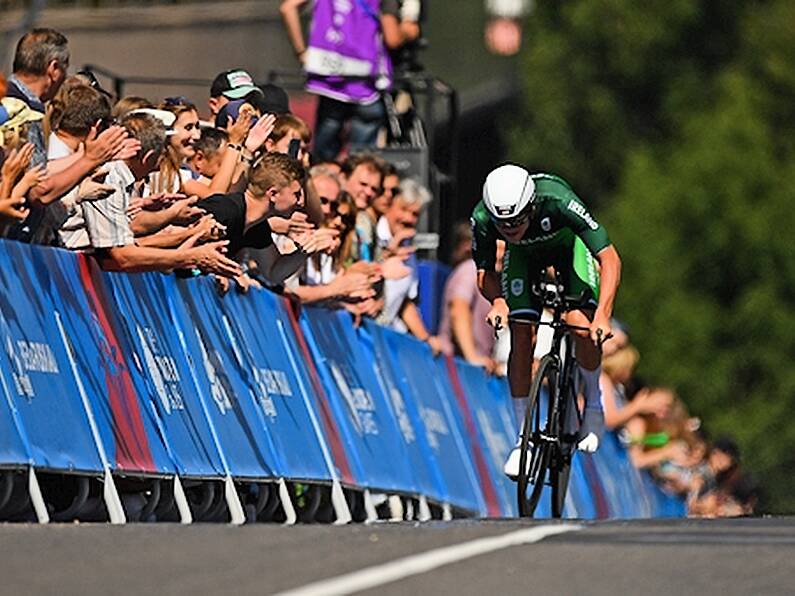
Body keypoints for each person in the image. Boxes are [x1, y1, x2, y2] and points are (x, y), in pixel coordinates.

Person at [471, 164, 622, 478]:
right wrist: (498, 301)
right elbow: (484, 272)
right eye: (504, 225)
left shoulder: (558, 200)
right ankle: (522, 438)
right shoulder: (484, 218)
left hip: (569, 249)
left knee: (580, 323)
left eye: (516, 221)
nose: (510, 229)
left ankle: (593, 405)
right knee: (521, 333)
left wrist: (604, 316)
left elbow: (609, 257)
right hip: (523, 259)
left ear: (531, 206)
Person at [280, 0, 419, 161]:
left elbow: (287, 7)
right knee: (362, 159)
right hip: (366, 84)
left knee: (323, 159)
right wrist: (409, 30)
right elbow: (392, 38)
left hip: (330, 81)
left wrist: (301, 53)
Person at [437, 222, 496, 371]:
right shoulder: (470, 270)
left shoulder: (492, 276)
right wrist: (472, 357)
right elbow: (458, 309)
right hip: (458, 368)